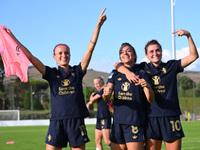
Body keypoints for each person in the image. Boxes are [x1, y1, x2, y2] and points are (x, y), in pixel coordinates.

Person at [4, 8, 107, 150]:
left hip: (76, 120)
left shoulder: (77, 71)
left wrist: (98, 27)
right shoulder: (51, 73)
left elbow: (90, 49)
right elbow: (30, 57)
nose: (63, 55)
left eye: (66, 53)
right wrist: (13, 37)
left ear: (70, 55)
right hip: (57, 121)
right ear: (54, 56)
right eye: (60, 53)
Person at [114, 29, 199, 150]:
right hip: (150, 118)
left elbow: (194, 56)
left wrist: (188, 36)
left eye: (157, 50)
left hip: (170, 116)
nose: (155, 53)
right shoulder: (142, 68)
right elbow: (117, 64)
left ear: (161, 52)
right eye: (151, 51)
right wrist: (128, 73)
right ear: (146, 55)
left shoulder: (171, 66)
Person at [103, 43, 155, 150]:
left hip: (134, 121)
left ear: (135, 55)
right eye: (122, 52)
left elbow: (150, 99)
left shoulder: (142, 73)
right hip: (117, 122)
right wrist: (106, 94)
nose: (125, 53)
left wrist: (147, 87)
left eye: (128, 51)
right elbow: (107, 98)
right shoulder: (114, 73)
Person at [86, 77, 112, 150]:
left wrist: (90, 101)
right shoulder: (99, 91)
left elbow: (92, 99)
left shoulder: (104, 90)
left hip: (105, 117)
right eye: (95, 84)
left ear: (102, 83)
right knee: (97, 140)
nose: (96, 85)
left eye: (97, 83)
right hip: (99, 118)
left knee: (107, 141)